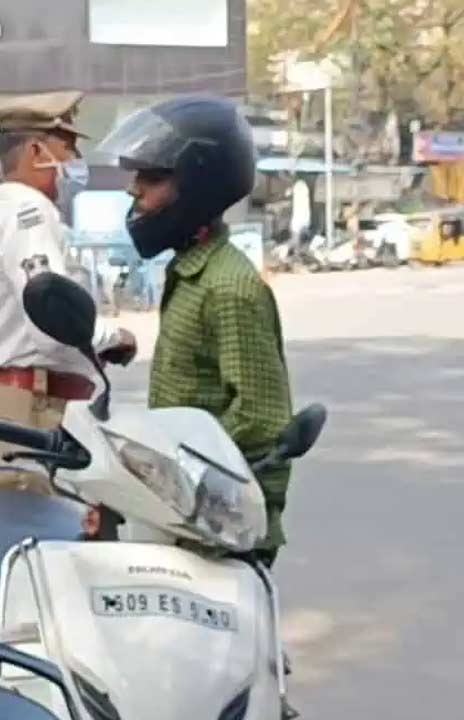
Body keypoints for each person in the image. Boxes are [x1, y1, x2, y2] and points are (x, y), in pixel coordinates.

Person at [98, 95, 294, 564]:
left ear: (198, 187)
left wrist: (174, 471)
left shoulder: (229, 287)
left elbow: (261, 418)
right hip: (186, 514)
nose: (134, 191)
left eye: (153, 178)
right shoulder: (190, 272)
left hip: (220, 525)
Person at [0, 91, 136, 490]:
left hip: (19, 399)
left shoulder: (0, 218)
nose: (75, 161)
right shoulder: (30, 217)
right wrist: (113, 337)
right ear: (37, 151)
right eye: (68, 147)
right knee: (38, 516)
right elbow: (52, 316)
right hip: (34, 406)